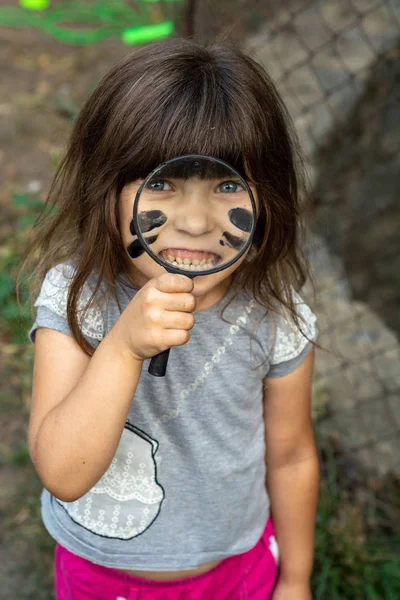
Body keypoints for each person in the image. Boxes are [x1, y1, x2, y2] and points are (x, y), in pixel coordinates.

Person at [25, 39, 319, 600]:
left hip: (237, 574)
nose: (194, 220)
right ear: (104, 188)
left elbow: (292, 454)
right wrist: (123, 346)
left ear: (270, 197)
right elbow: (62, 471)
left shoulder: (276, 320)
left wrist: (297, 579)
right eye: (161, 182)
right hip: (101, 577)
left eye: (227, 184)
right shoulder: (77, 298)